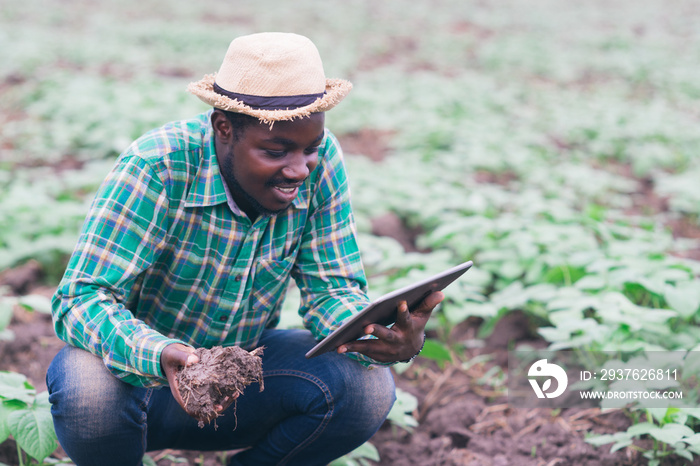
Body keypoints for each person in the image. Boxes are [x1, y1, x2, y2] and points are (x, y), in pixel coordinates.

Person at [46, 32, 444, 466]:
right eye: (276, 151)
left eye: (310, 149)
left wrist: (374, 333)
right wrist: (159, 355)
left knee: (367, 389)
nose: (298, 169)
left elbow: (332, 290)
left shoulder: (322, 163)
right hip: (137, 383)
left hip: (239, 386)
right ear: (224, 128)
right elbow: (80, 298)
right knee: (86, 387)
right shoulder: (158, 166)